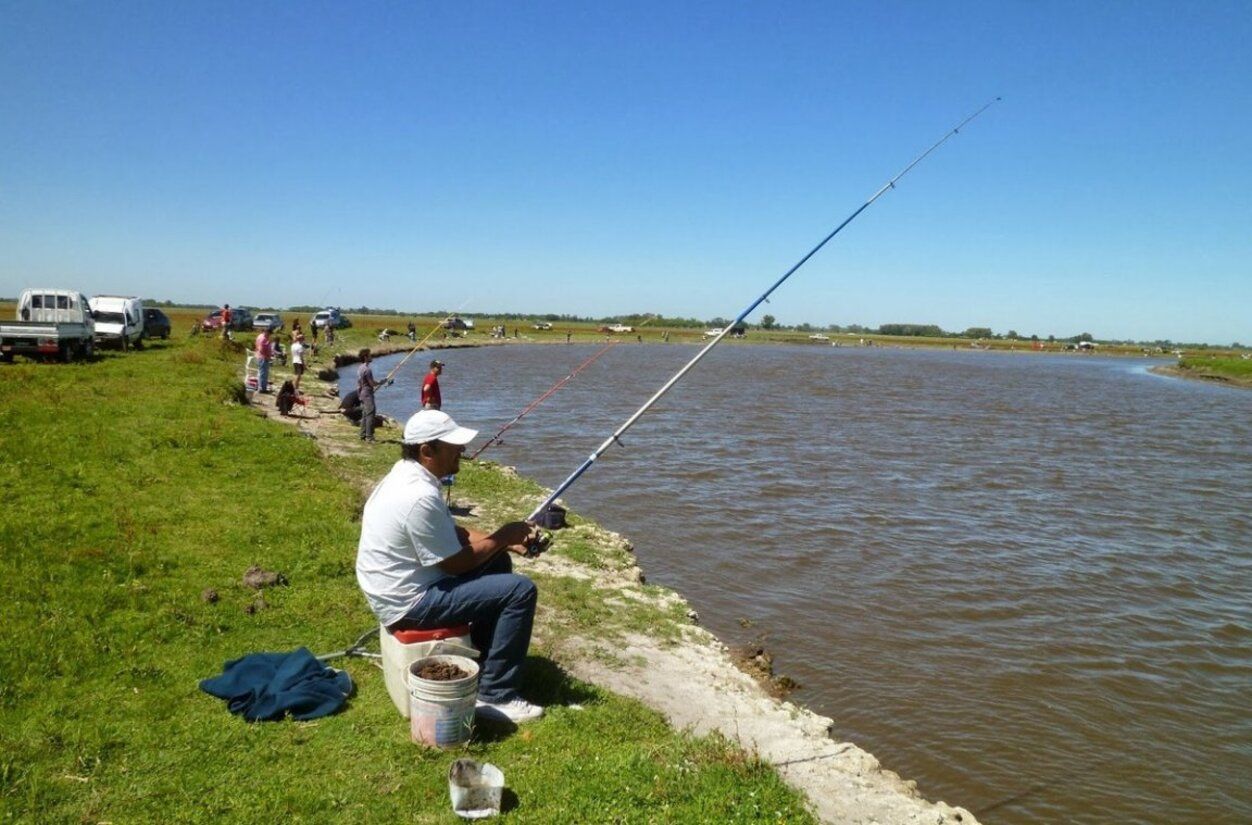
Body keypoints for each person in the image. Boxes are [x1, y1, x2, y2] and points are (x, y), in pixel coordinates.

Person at [355, 409, 544, 723]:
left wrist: (505, 543)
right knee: (520, 591)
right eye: (453, 445)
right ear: (427, 451)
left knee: (498, 559)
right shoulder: (417, 495)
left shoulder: (409, 475)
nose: (462, 450)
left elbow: (453, 533)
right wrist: (502, 535)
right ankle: (496, 696)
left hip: (401, 588)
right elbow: (457, 564)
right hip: (408, 602)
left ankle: (485, 662)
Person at [357, 348, 382, 442]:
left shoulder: (360, 368)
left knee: (364, 415)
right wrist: (381, 382)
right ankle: (369, 437)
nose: (371, 356)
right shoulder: (367, 370)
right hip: (367, 394)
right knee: (370, 414)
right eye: (370, 355)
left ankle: (362, 435)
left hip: (362, 393)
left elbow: (359, 383)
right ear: (365, 357)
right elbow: (372, 383)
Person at [254, 327, 273, 393]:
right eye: (269, 334)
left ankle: (259, 386)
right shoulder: (263, 339)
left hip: (259, 356)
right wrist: (267, 356)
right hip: (263, 358)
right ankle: (262, 388)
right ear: (266, 332)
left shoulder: (260, 336)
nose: (269, 335)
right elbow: (261, 349)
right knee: (263, 373)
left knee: (260, 372)